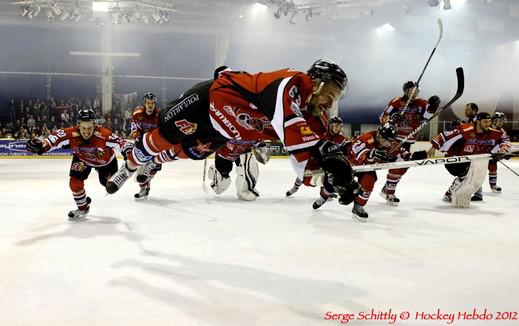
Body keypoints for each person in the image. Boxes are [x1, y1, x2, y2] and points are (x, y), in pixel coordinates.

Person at [106, 59, 359, 206]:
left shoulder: (316, 118)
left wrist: (331, 180)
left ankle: (149, 164)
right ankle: (129, 166)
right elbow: (295, 134)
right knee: (163, 138)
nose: (330, 102)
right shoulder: (292, 82)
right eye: (331, 94)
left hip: (225, 130)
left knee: (185, 153)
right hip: (207, 101)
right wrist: (323, 157)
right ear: (316, 83)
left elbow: (305, 164)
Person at [25, 109, 125, 220]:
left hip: (106, 163)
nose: (86, 132)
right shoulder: (70, 133)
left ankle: (124, 172)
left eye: (89, 128)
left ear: (94, 125)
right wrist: (41, 146)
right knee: (74, 183)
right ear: (78, 125)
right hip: (82, 160)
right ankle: (83, 207)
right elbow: (53, 140)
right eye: (83, 128)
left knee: (109, 187)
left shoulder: (104, 134)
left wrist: (129, 153)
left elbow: (122, 143)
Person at [346, 123, 427, 221]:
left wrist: (411, 157)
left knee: (369, 182)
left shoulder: (389, 142)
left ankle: (358, 206)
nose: (386, 144)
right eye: (384, 140)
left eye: (388, 142)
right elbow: (358, 155)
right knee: (336, 188)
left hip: (367, 168)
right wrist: (372, 155)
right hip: (351, 165)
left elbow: (400, 152)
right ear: (379, 135)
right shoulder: (366, 138)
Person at [378, 81, 440, 206]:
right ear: (405, 91)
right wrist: (392, 118)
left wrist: (433, 106)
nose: (414, 93)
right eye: (411, 90)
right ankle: (390, 192)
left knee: (405, 166)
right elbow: (382, 117)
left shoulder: (422, 103)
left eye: (416, 90)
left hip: (409, 139)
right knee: (398, 164)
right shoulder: (396, 102)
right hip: (394, 139)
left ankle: (387, 187)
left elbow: (428, 116)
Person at [427, 112, 510, 204]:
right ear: (478, 121)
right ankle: (451, 193)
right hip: (454, 159)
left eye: (489, 121)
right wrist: (434, 146)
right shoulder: (466, 129)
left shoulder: (493, 133)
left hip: (470, 161)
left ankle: (451, 193)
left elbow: (504, 140)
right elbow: (445, 136)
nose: (488, 124)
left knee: (475, 173)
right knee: (468, 173)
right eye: (485, 122)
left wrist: (503, 149)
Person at [128, 92, 161, 199]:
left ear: (155, 104)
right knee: (140, 168)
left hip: (156, 145)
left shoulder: (160, 115)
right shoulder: (137, 113)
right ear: (144, 103)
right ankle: (142, 189)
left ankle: (148, 181)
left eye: (152, 103)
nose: (150, 105)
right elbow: (134, 129)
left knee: (154, 168)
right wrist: (137, 138)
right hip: (142, 143)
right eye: (148, 103)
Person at [486, 111, 509, 194]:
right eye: (499, 121)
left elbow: (505, 141)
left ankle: (493, 185)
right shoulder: (486, 128)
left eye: (502, 122)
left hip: (491, 154)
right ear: (493, 121)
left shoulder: (501, 131)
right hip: (479, 153)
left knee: (493, 168)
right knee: (476, 171)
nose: (500, 123)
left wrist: (503, 148)